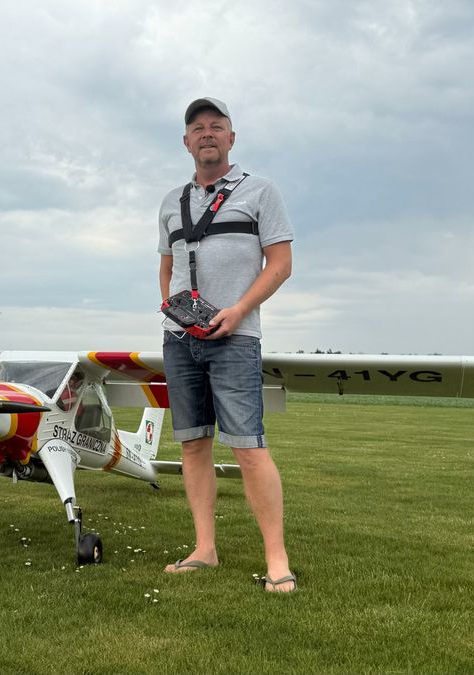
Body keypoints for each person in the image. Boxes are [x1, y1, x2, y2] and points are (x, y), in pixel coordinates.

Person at [157, 97, 297, 593]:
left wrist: (237, 311)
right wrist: (173, 310)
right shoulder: (171, 202)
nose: (207, 133)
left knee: (248, 448)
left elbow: (280, 264)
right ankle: (205, 549)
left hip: (236, 338)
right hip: (181, 340)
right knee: (193, 445)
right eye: (198, 128)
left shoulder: (260, 191)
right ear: (187, 142)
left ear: (231, 138)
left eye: (217, 126)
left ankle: (277, 560)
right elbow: (167, 264)